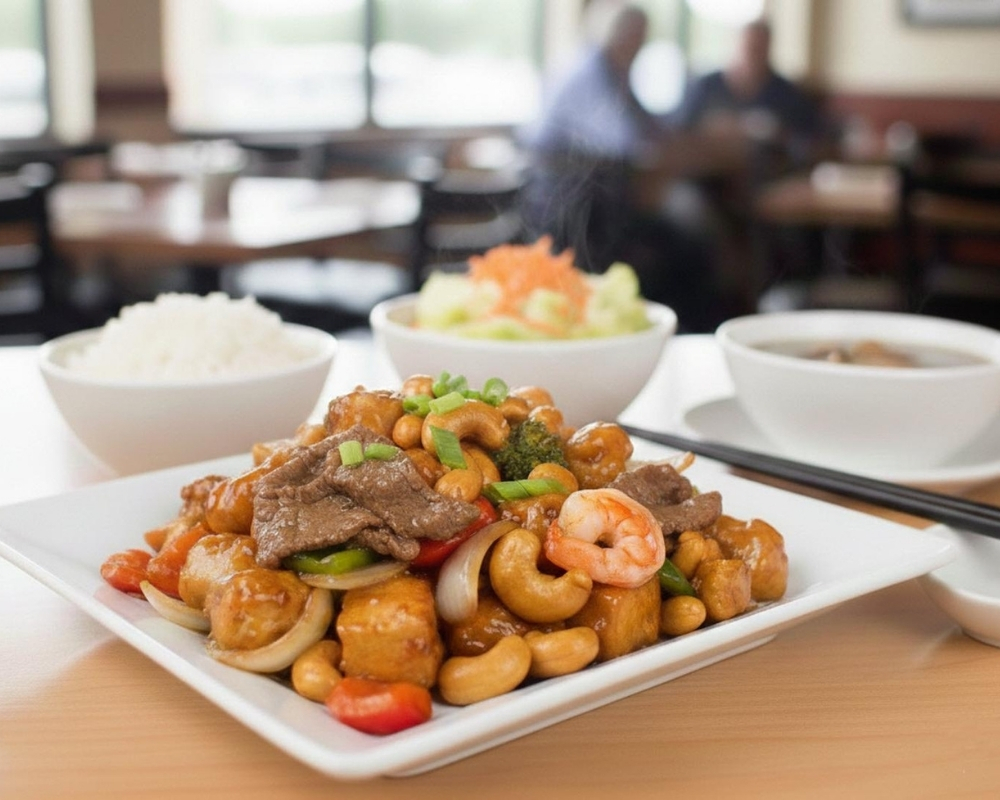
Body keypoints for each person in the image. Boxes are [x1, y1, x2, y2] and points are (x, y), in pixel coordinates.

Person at [519, 2, 722, 333]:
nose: (640, 46)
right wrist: (676, 148)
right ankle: (675, 332)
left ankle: (676, 330)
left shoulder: (615, 73)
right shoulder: (589, 73)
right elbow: (624, 142)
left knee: (692, 234)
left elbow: (648, 124)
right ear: (618, 36)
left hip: (600, 203)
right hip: (568, 208)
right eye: (636, 37)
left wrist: (689, 138)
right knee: (685, 242)